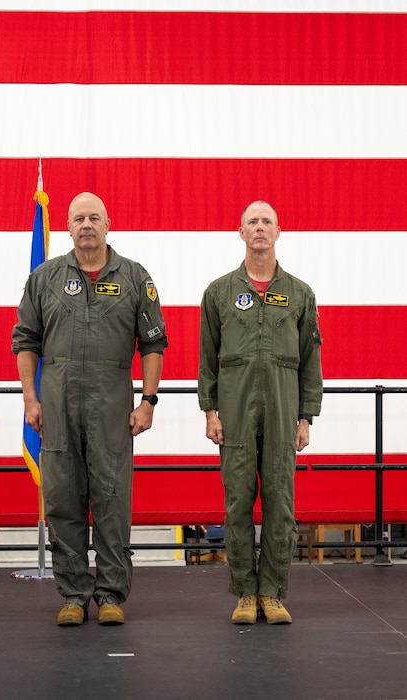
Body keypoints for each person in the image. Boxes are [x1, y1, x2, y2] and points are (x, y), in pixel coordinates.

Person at [12, 192, 168, 627]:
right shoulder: (44, 278)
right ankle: (74, 595)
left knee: (112, 499)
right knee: (62, 499)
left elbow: (153, 343)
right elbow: (25, 341)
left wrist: (149, 401)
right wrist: (30, 398)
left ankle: (112, 594)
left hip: (111, 406)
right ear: (67, 227)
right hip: (58, 405)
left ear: (107, 224)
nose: (86, 224)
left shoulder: (135, 277)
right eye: (78, 218)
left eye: (93, 217)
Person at [198, 200, 322, 625]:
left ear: (278, 231)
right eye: (252, 221)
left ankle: (271, 591)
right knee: (237, 502)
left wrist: (306, 417)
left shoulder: (301, 293)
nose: (260, 228)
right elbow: (207, 357)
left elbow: (311, 361)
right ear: (241, 232)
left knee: (280, 502)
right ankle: (244, 593)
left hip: (284, 409)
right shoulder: (218, 292)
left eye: (267, 221)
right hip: (234, 409)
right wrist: (210, 411)